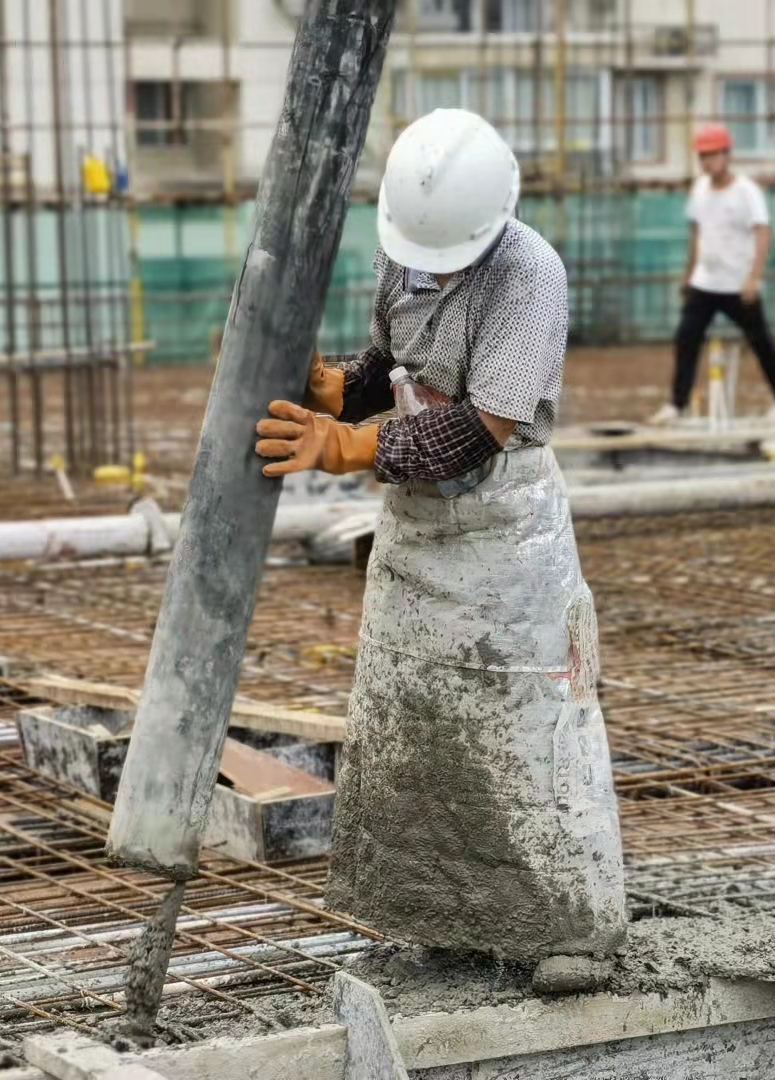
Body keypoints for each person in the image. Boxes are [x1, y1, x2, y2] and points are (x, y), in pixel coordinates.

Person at [254, 108, 627, 990]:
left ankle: (566, 928)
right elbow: (393, 362)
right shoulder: (408, 244)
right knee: (413, 722)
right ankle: (438, 918)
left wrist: (344, 446)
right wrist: (334, 388)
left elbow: (479, 432)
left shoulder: (529, 274)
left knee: (527, 732)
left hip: (505, 533)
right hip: (419, 533)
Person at [650, 123, 775, 424]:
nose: (707, 162)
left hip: (738, 285)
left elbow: (763, 233)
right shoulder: (699, 189)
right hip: (705, 283)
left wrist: (754, 277)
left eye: (713, 155)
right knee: (686, 338)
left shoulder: (746, 192)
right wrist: (689, 273)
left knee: (761, 341)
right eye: (703, 156)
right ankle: (678, 404)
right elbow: (696, 232)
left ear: (727, 155)